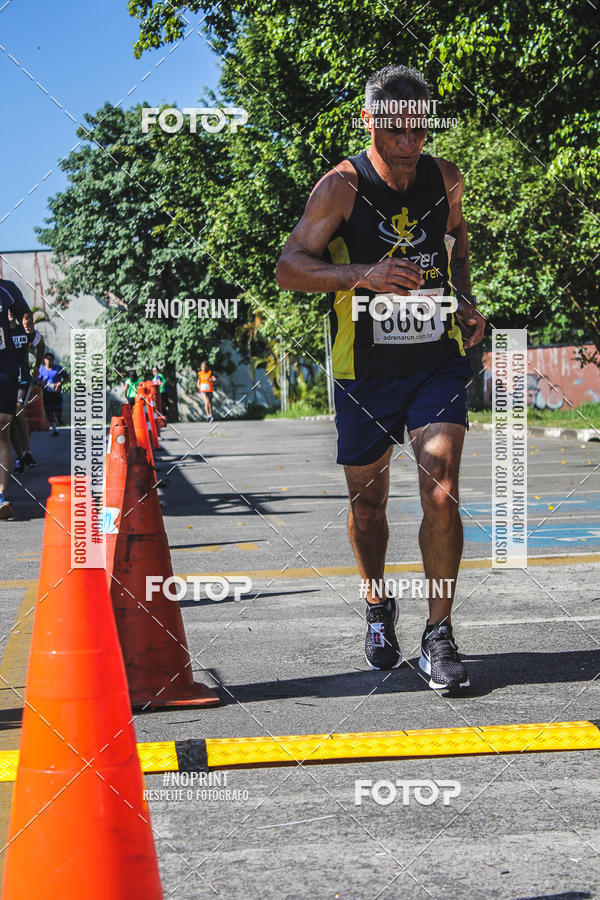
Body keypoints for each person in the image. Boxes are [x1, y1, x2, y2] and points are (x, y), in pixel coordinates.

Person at [276, 65, 485, 691]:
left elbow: (458, 246)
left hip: (435, 361)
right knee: (368, 507)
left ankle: (439, 634)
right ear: (370, 122)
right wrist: (360, 273)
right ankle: (376, 601)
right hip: (363, 370)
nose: (409, 138)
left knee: (440, 484)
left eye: (419, 125)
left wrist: (466, 301)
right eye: (395, 126)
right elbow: (289, 267)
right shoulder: (340, 187)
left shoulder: (445, 178)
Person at [0, 279, 34, 519]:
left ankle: (1, 496)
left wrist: (28, 327)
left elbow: (26, 313)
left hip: (5, 369)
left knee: (3, 425)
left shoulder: (7, 290)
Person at [8, 308, 42, 472]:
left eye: (10, 311)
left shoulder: (26, 331)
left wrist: (37, 367)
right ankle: (21, 457)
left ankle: (27, 452)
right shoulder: (3, 331)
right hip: (6, 380)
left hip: (22, 380)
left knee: (18, 411)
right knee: (10, 420)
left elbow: (40, 344)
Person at [37, 352, 64, 436]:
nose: (49, 361)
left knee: (57, 411)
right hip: (47, 393)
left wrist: (59, 383)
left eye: (51, 360)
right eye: (48, 359)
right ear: (44, 360)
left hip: (56, 393)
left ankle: (59, 418)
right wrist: (41, 383)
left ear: (53, 360)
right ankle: (55, 429)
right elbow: (38, 380)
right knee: (49, 412)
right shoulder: (41, 369)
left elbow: (66, 377)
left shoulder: (58, 368)